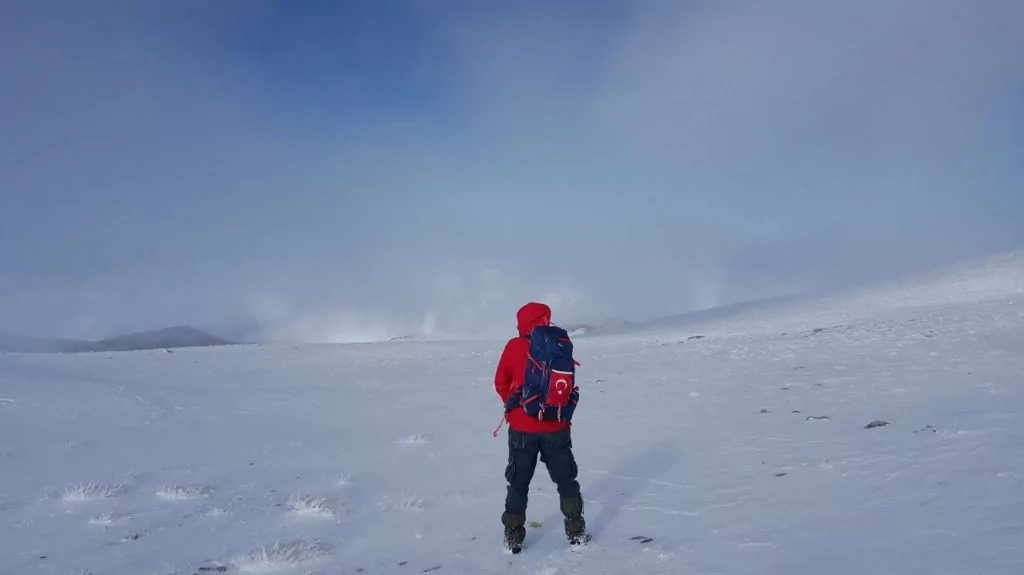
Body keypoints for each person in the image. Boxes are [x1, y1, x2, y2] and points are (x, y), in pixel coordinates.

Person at [494, 301, 590, 552]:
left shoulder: (514, 346)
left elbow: (500, 381)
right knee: (566, 480)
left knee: (518, 483)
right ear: (545, 319)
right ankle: (576, 533)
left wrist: (514, 407)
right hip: (555, 425)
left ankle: (513, 537)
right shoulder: (559, 344)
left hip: (522, 430)